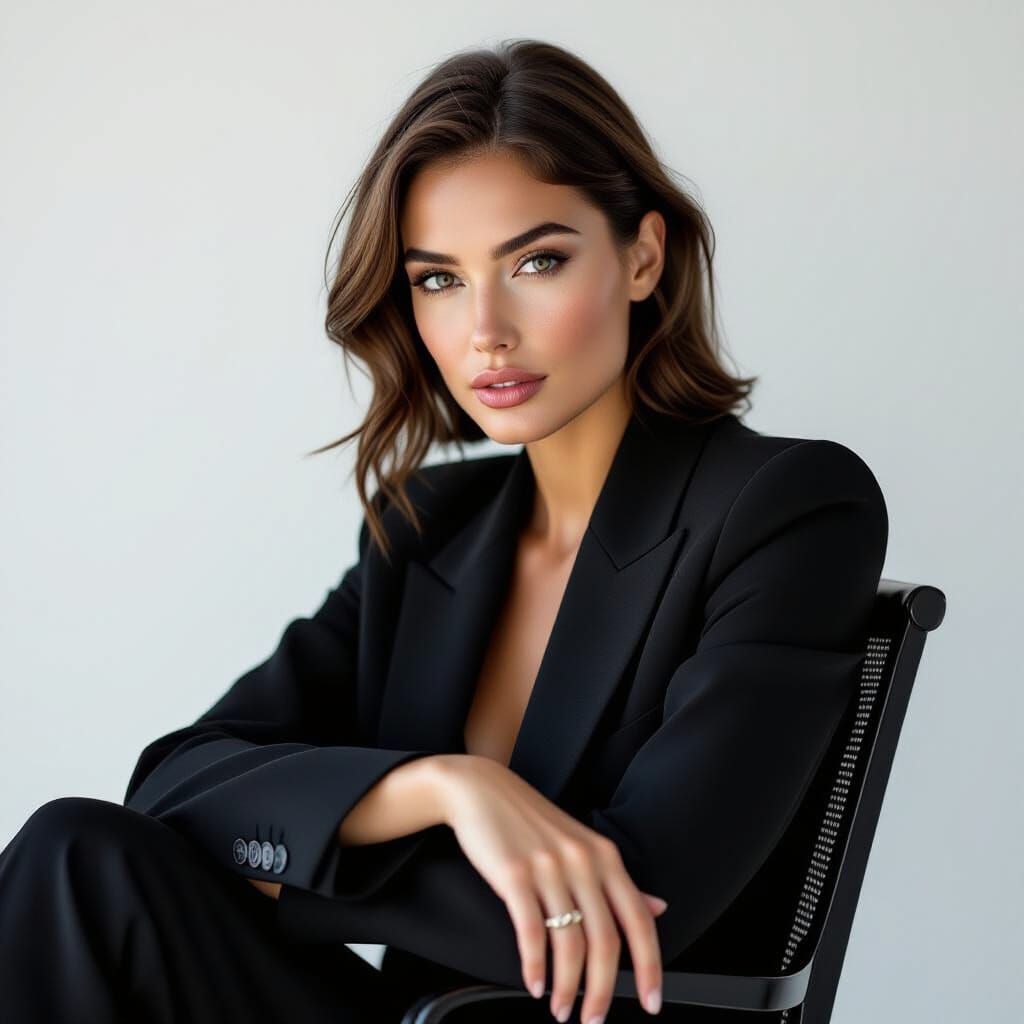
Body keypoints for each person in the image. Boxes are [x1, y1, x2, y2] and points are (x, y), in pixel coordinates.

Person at [0, 38, 888, 1024]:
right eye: (438, 279)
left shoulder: (788, 506)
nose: (485, 331)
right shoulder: (429, 525)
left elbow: (638, 907)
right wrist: (442, 788)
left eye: (537, 261)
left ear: (643, 256)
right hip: (420, 1013)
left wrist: (299, 860)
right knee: (75, 854)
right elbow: (171, 785)